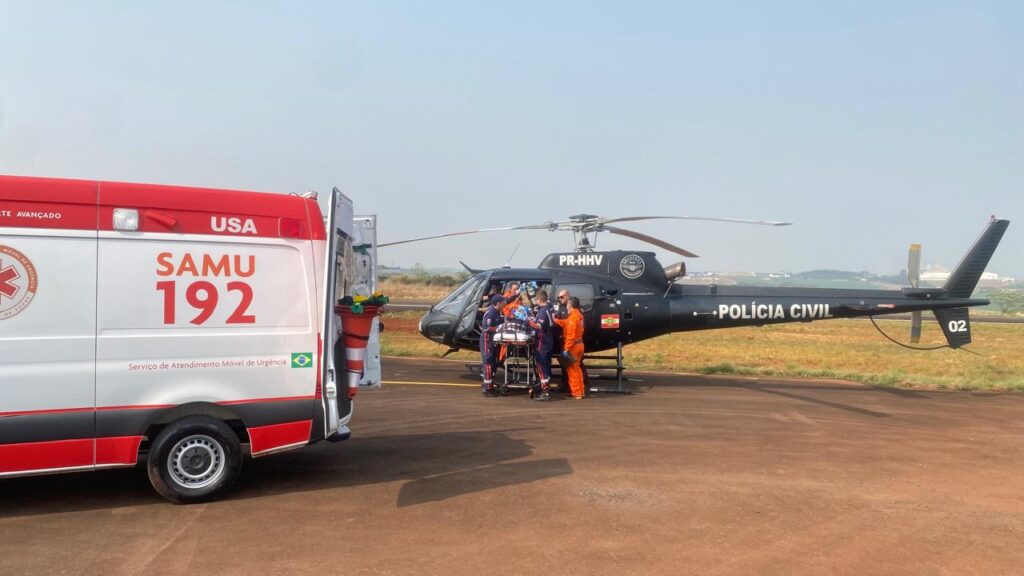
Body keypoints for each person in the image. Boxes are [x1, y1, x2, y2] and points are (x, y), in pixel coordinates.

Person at [554, 296, 586, 400]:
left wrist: (566, 349)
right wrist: (556, 320)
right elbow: (566, 323)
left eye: (567, 304)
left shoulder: (573, 318)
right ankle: (581, 391)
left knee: (572, 371)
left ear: (570, 305)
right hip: (580, 344)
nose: (566, 306)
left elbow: (571, 336)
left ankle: (576, 393)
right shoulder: (578, 315)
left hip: (573, 347)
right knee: (577, 369)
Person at [528, 290, 555, 400]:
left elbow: (537, 326)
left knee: (541, 365)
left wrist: (527, 319)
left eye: (537, 300)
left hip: (542, 340)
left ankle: (545, 391)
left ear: (539, 300)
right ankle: (545, 385)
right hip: (549, 339)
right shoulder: (550, 307)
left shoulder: (543, 311)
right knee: (546, 364)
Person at [479, 295, 505, 397]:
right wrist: (499, 328)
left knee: (493, 363)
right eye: (503, 301)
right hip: (487, 341)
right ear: (498, 303)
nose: (505, 303)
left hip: (493, 341)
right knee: (488, 363)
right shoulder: (491, 313)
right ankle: (487, 389)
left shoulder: (498, 312)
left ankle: (490, 385)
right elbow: (486, 327)